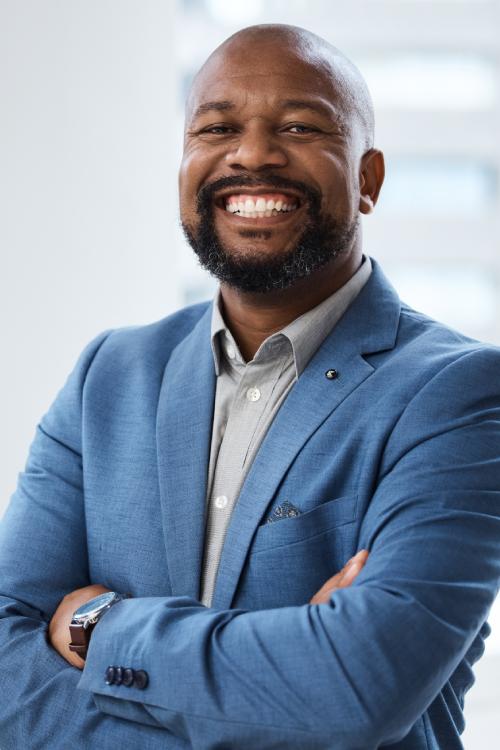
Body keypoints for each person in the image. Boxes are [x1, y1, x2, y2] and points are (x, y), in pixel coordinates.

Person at [1, 23, 499, 750]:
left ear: (369, 180)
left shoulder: (458, 395)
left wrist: (99, 625)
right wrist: (284, 671)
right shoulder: (108, 376)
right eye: (217, 127)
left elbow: (357, 685)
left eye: (300, 125)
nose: (254, 153)